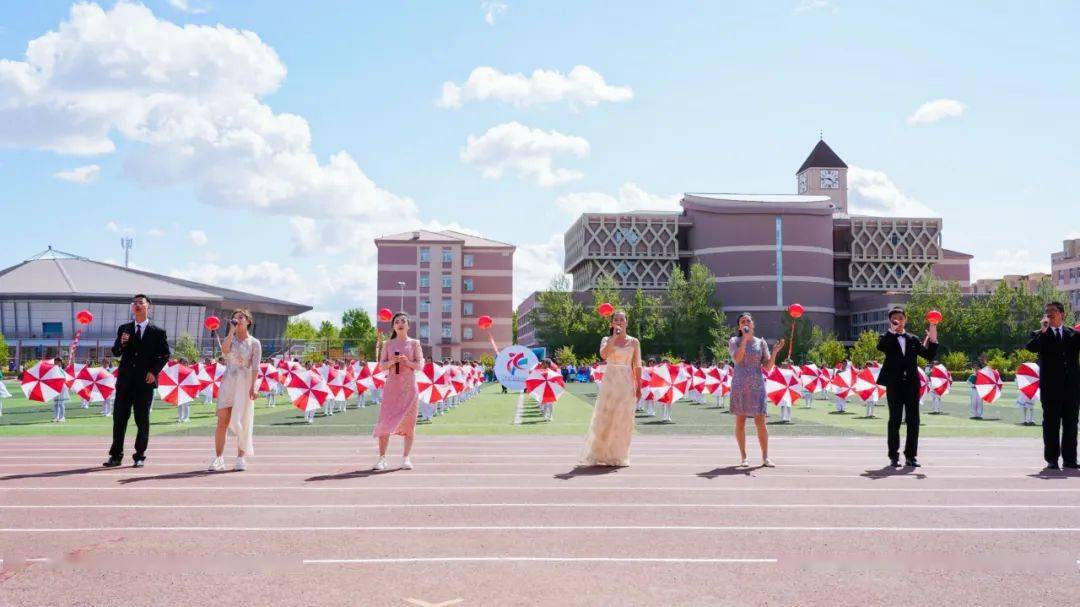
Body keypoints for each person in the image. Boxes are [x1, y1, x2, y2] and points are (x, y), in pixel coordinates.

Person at [103, 294, 170, 468]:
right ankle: (115, 455)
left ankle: (139, 455)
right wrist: (122, 343)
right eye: (135, 303)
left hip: (144, 382)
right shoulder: (124, 328)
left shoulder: (157, 332)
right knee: (119, 419)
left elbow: (164, 355)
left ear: (149, 307)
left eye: (141, 302)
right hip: (125, 382)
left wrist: (154, 372)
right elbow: (116, 351)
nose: (137, 305)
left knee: (142, 420)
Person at [876, 307, 938, 468]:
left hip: (911, 384)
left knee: (913, 421)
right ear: (890, 321)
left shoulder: (912, 339)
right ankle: (893, 456)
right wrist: (893, 331)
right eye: (894, 318)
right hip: (894, 385)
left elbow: (929, 354)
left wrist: (933, 329)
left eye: (901, 318)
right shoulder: (886, 337)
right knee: (894, 420)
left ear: (906, 319)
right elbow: (881, 347)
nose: (898, 320)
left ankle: (911, 456)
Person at [580, 310, 641, 467]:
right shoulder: (606, 339)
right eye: (616, 319)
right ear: (612, 323)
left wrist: (639, 386)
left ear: (627, 322)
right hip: (610, 381)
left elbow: (638, 365)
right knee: (605, 417)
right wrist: (614, 337)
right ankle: (600, 453)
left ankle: (619, 455)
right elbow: (604, 355)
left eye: (622, 319)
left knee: (623, 419)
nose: (619, 321)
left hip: (626, 381)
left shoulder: (634, 342)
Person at [1025, 302, 1080, 470]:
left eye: (1053, 311)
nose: (1049, 314)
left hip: (1071, 388)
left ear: (1062, 314)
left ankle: (1070, 459)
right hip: (1050, 389)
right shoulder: (1039, 334)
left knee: (1071, 424)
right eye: (1047, 312)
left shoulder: (1074, 334)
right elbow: (1031, 347)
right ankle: (1052, 459)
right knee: (1051, 425)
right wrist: (1043, 330)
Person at [729, 313, 785, 467]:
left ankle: (765, 457)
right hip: (740, 385)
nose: (746, 323)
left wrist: (774, 353)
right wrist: (744, 341)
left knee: (760, 421)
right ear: (739, 326)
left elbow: (767, 367)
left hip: (757, 386)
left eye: (748, 320)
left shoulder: (761, 343)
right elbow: (738, 359)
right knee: (740, 421)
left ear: (752, 324)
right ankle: (744, 457)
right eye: (742, 321)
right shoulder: (734, 341)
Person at [208, 310, 261, 472]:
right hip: (228, 382)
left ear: (248, 321)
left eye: (241, 317)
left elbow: (255, 367)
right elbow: (224, 351)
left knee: (243, 420)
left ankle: (240, 457)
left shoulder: (254, 343)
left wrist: (253, 386)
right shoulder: (230, 339)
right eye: (235, 317)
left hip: (244, 384)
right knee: (222, 421)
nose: (237, 320)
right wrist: (231, 331)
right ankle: (219, 458)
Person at [373, 312, 423, 471]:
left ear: (408, 325)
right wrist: (392, 361)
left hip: (409, 389)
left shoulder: (415, 344)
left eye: (403, 321)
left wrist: (407, 362)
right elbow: (381, 366)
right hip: (391, 388)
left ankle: (406, 458)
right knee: (385, 423)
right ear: (393, 326)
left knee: (409, 424)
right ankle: (382, 458)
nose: (400, 324)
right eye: (397, 322)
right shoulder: (388, 344)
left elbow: (420, 366)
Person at [968, 355, 988, 420]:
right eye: (975, 368)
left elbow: (984, 383)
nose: (976, 369)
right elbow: (968, 382)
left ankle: (979, 415)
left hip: (979, 390)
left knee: (979, 402)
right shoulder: (972, 375)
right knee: (973, 402)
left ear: (980, 369)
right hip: (973, 390)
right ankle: (974, 414)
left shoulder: (982, 376)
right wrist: (973, 385)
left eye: (978, 368)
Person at [52, 358, 70, 422]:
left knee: (61, 403)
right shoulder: (53, 370)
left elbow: (64, 378)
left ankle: (62, 417)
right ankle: (56, 417)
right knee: (56, 403)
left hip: (62, 387)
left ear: (60, 363)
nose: (56, 363)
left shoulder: (61, 370)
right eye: (55, 362)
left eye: (57, 362)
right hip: (56, 387)